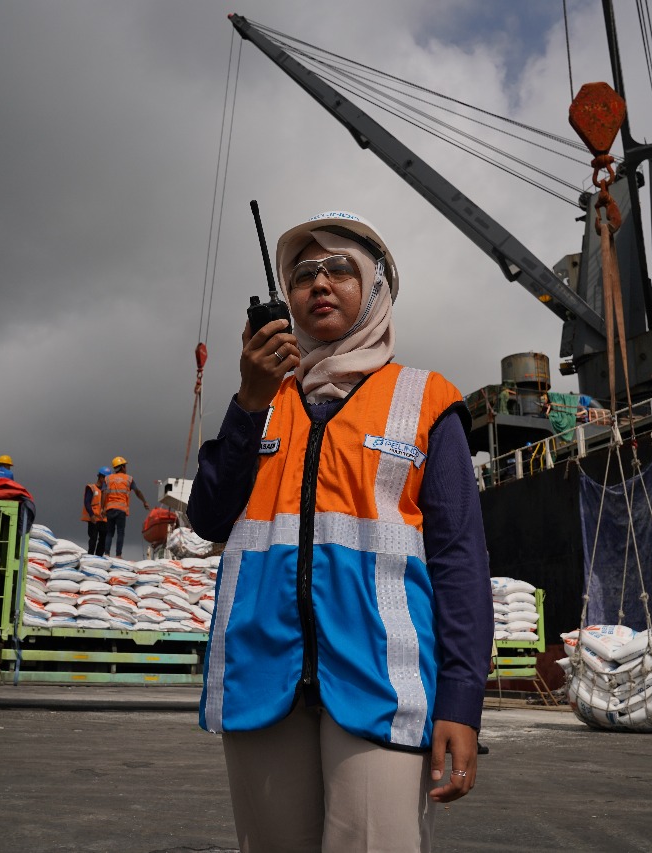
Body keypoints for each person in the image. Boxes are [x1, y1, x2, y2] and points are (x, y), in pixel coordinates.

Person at [188, 210, 493, 852]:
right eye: (303, 275)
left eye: (339, 269)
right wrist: (248, 398)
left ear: (376, 288)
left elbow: (459, 561)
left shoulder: (426, 400)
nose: (319, 284)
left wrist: (461, 701)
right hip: (262, 677)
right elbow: (208, 517)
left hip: (381, 683)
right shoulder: (262, 400)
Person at [102, 456, 149, 558]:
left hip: (110, 509)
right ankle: (118, 555)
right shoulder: (128, 479)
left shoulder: (108, 479)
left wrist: (102, 508)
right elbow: (137, 491)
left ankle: (107, 553)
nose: (126, 468)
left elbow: (104, 493)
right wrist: (144, 502)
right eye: (125, 466)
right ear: (122, 467)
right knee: (120, 532)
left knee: (109, 533)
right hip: (121, 510)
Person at [83, 467, 110, 557]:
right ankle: (90, 556)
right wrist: (91, 515)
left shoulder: (106, 491)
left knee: (103, 540)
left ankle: (98, 557)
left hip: (103, 519)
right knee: (93, 539)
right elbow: (87, 502)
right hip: (94, 519)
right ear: (101, 477)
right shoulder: (92, 488)